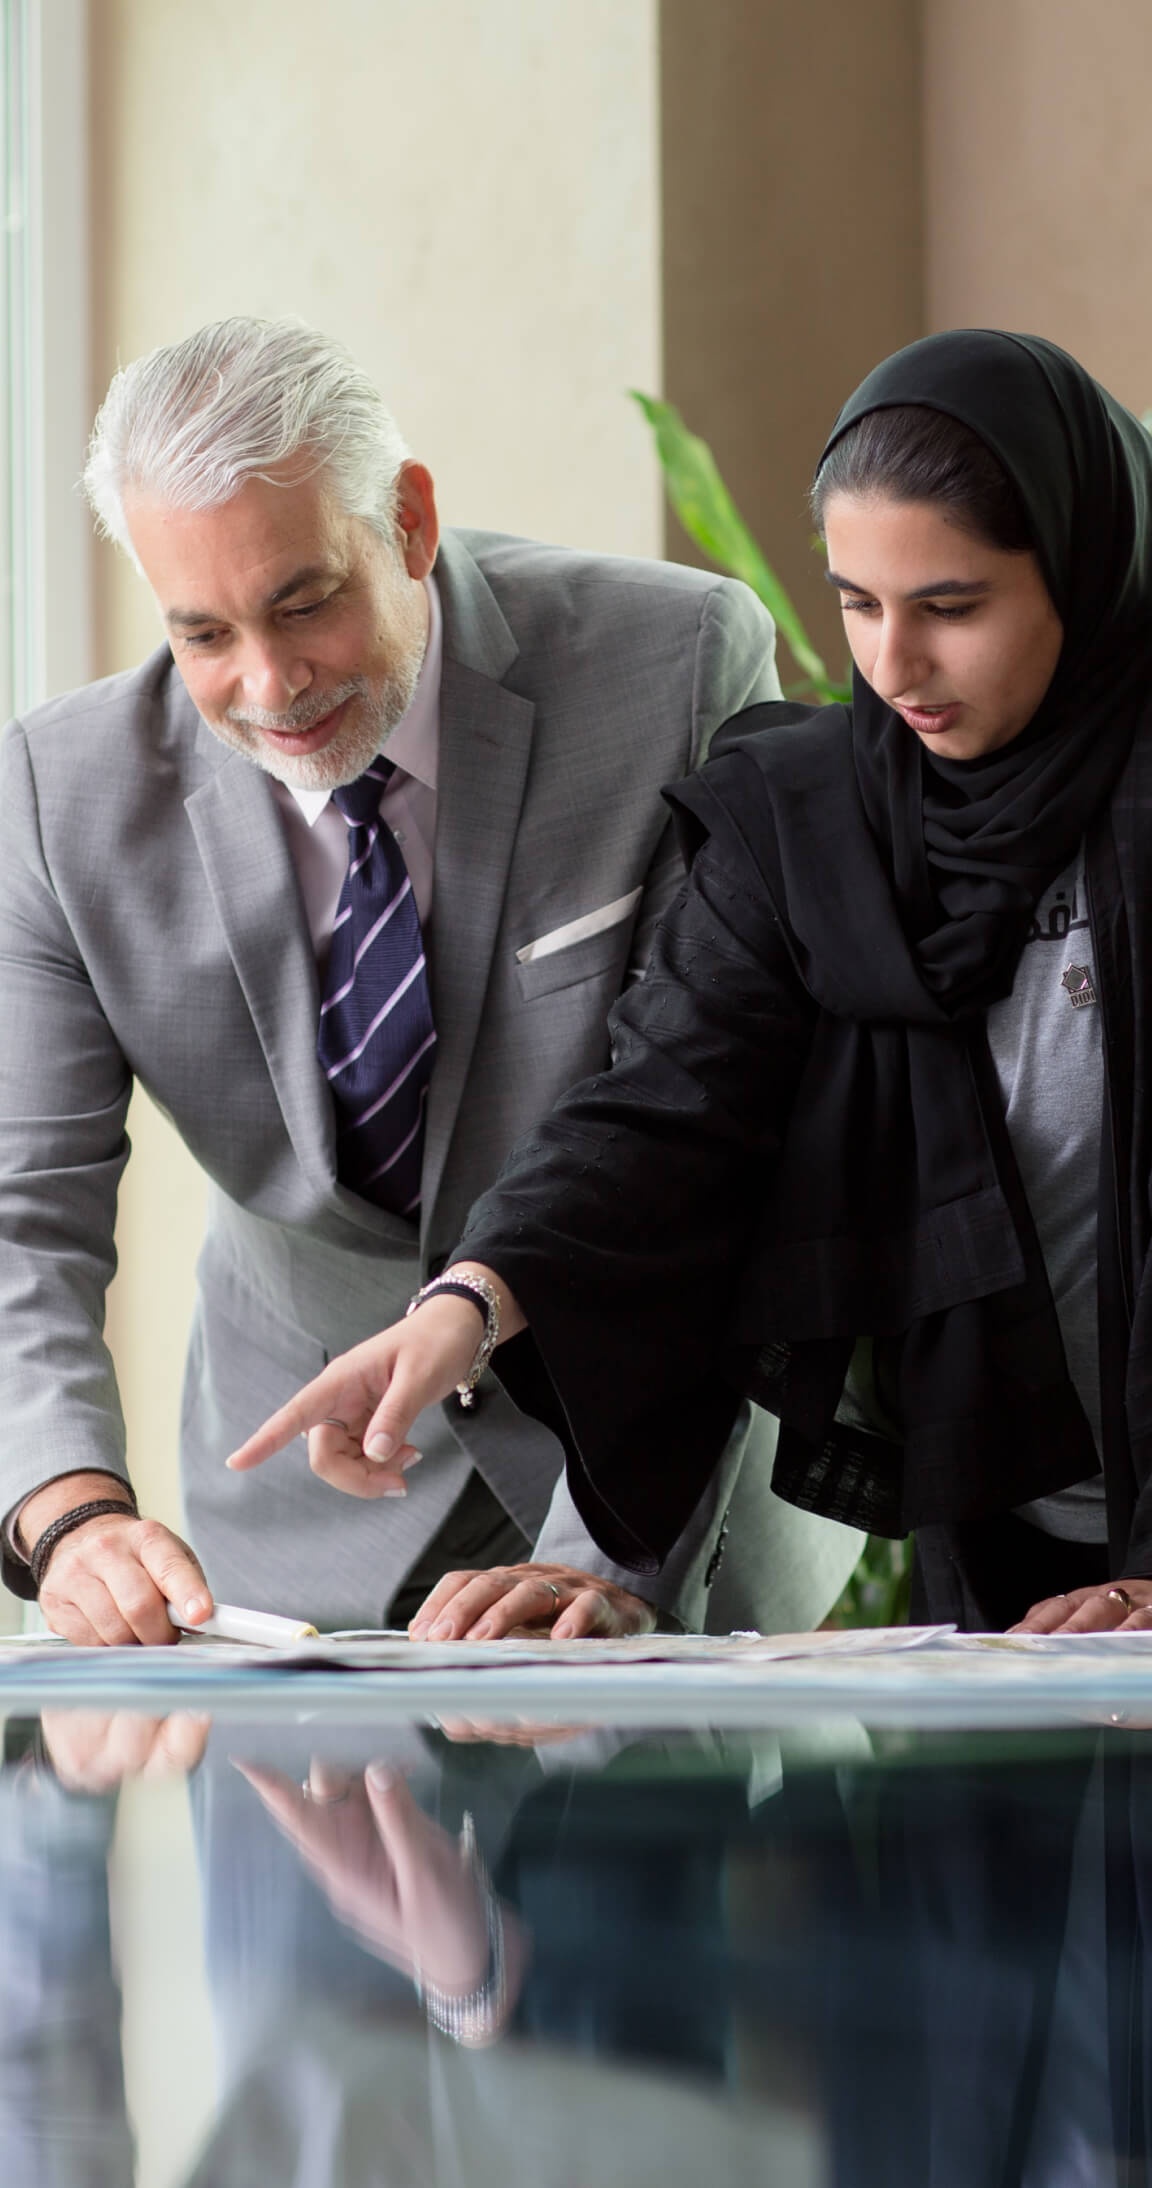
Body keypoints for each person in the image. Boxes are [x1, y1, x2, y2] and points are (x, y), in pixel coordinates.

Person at [236, 327, 1152, 1636]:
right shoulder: (813, 820)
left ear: (1082, 565)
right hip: (1014, 1545)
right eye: (857, 603)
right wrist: (469, 1303)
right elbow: (669, 1113)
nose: (892, 667)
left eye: (951, 608)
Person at [0, 316, 862, 1647]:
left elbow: (719, 1126)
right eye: (204, 632)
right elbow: (24, 1210)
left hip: (652, 1467)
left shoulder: (674, 664)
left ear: (408, 521)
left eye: (305, 603)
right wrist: (71, 1514)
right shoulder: (59, 795)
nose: (271, 684)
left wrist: (607, 1561)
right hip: (301, 1509)